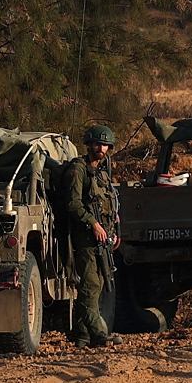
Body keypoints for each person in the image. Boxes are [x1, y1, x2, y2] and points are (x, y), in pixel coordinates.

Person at [64, 125, 123, 349]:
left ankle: (82, 335)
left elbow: (112, 206)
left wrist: (115, 232)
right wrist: (94, 224)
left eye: (105, 144)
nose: (101, 148)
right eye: (97, 144)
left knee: (99, 285)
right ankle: (99, 333)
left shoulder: (103, 173)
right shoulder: (78, 169)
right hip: (86, 239)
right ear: (88, 145)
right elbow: (73, 203)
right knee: (91, 286)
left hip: (103, 239)